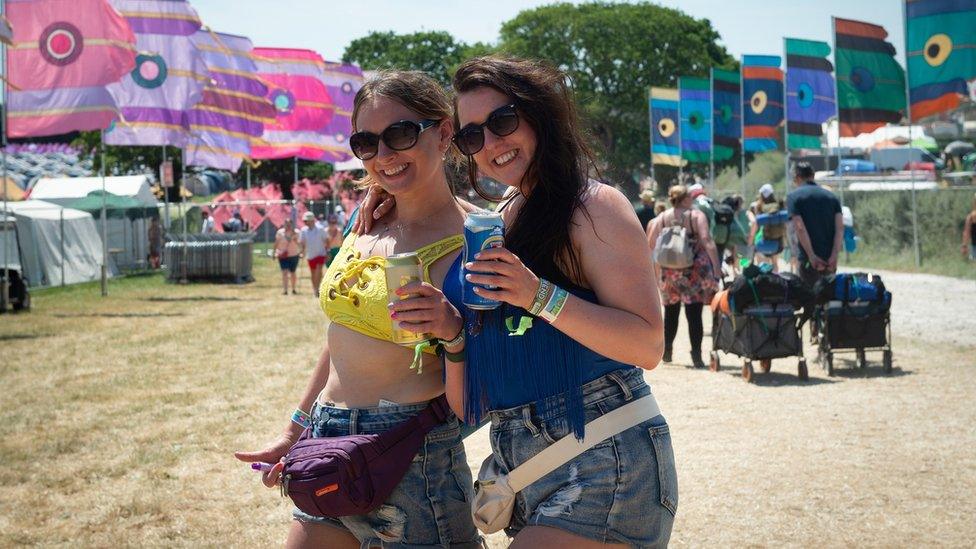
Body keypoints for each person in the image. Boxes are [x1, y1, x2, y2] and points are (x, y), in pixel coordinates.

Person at [361, 55, 675, 548]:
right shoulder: (497, 220)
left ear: (537, 115)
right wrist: (453, 333)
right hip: (520, 464)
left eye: (502, 121)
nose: (490, 144)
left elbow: (647, 344)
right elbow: (470, 403)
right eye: (472, 136)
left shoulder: (592, 206)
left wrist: (538, 296)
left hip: (602, 454)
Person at [234, 71, 481, 549]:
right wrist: (296, 429)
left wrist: (453, 334)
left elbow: (484, 382)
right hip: (327, 438)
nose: (384, 155)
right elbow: (341, 334)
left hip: (409, 455)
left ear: (445, 132)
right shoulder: (364, 222)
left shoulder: (477, 237)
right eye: (367, 142)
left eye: (401, 134)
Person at [648, 184, 720, 369]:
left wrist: (655, 275)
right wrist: (716, 269)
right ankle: (696, 357)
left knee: (670, 313)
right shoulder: (696, 216)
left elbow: (651, 246)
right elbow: (707, 240)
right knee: (694, 314)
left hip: (667, 272)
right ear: (686, 198)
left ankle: (667, 352)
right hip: (693, 272)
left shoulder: (661, 218)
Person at [786, 161, 843, 288]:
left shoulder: (793, 197)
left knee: (810, 299)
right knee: (829, 298)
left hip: (808, 259)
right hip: (829, 259)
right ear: (813, 175)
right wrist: (834, 255)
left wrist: (812, 256)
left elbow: (800, 228)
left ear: (797, 178)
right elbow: (840, 229)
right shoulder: (832, 197)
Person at [750, 183, 787, 273]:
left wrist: (751, 241)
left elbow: (755, 226)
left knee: (763, 263)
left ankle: (764, 283)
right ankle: (776, 282)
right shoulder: (779, 206)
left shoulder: (760, 207)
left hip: (764, 241)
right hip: (778, 242)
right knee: (775, 263)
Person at [298, 211, 329, 297]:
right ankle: (315, 288)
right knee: (313, 273)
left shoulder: (321, 229)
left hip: (320, 253)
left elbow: (326, 240)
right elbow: (302, 243)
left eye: (306, 220)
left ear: (311, 220)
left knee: (319, 270)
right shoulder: (303, 230)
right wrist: (301, 252)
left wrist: (328, 251)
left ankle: (318, 288)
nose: (305, 222)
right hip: (310, 255)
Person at [273, 218, 301, 295]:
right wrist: (273, 253)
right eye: (286, 224)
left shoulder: (297, 232)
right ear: (284, 224)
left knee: (293, 272)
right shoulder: (280, 233)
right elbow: (276, 243)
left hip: (294, 254)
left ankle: (293, 288)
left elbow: (300, 244)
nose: (288, 226)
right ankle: (285, 290)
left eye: (289, 224)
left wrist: (295, 238)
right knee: (284, 272)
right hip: (283, 256)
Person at [963, 192, 976, 260]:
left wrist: (964, 245)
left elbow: (966, 232)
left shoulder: (971, 216)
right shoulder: (972, 216)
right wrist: (964, 245)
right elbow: (967, 232)